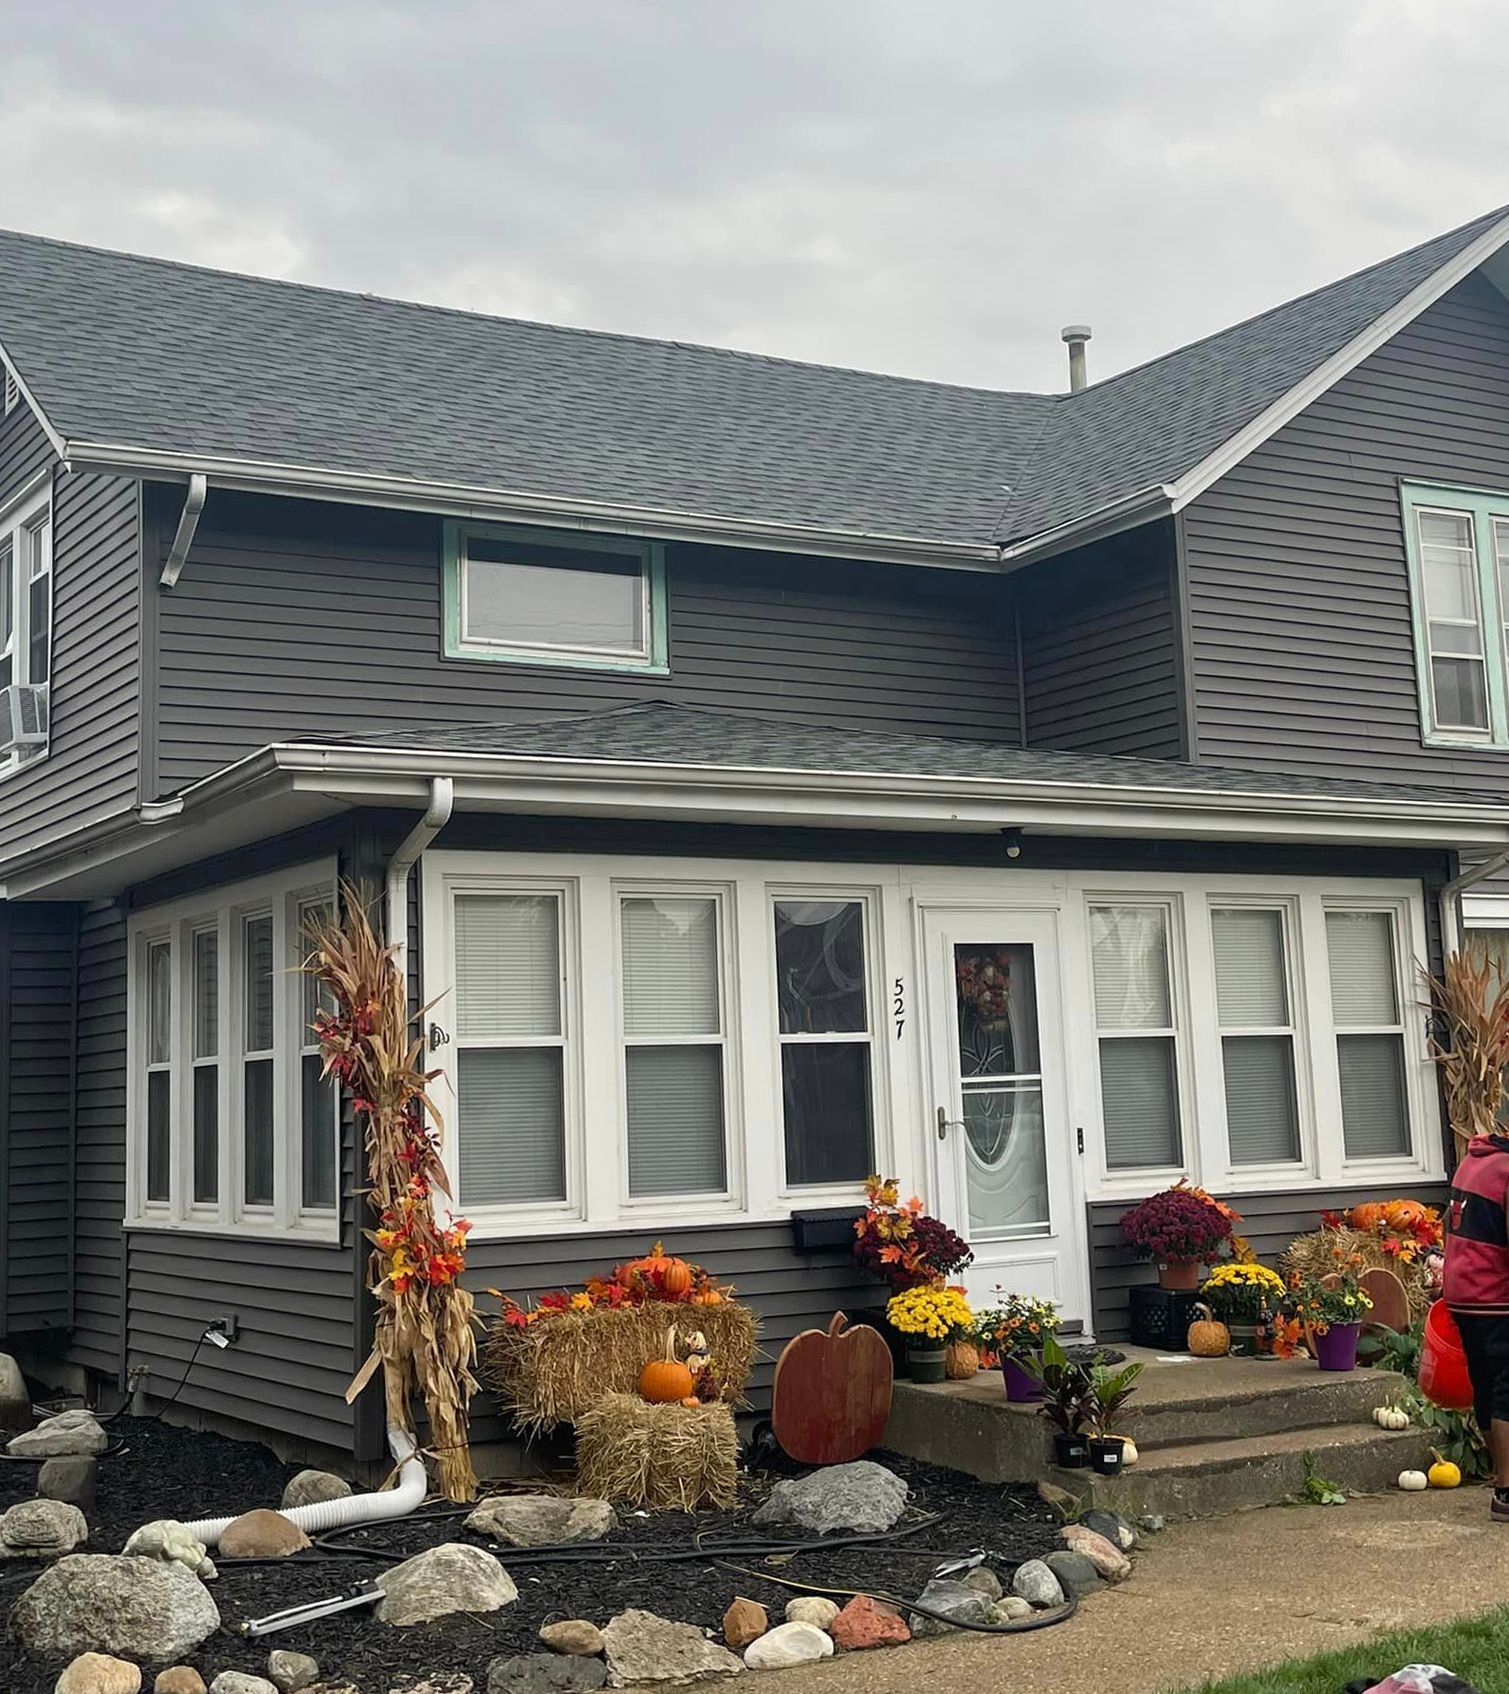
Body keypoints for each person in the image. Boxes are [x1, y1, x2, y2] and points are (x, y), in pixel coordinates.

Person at [1443, 1130, 1509, 1520]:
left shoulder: (1472, 1161)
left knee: (1486, 1385)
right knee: (1507, 1388)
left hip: (1463, 1294)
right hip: (1497, 1297)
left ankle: (1499, 1475)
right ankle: (1506, 1489)